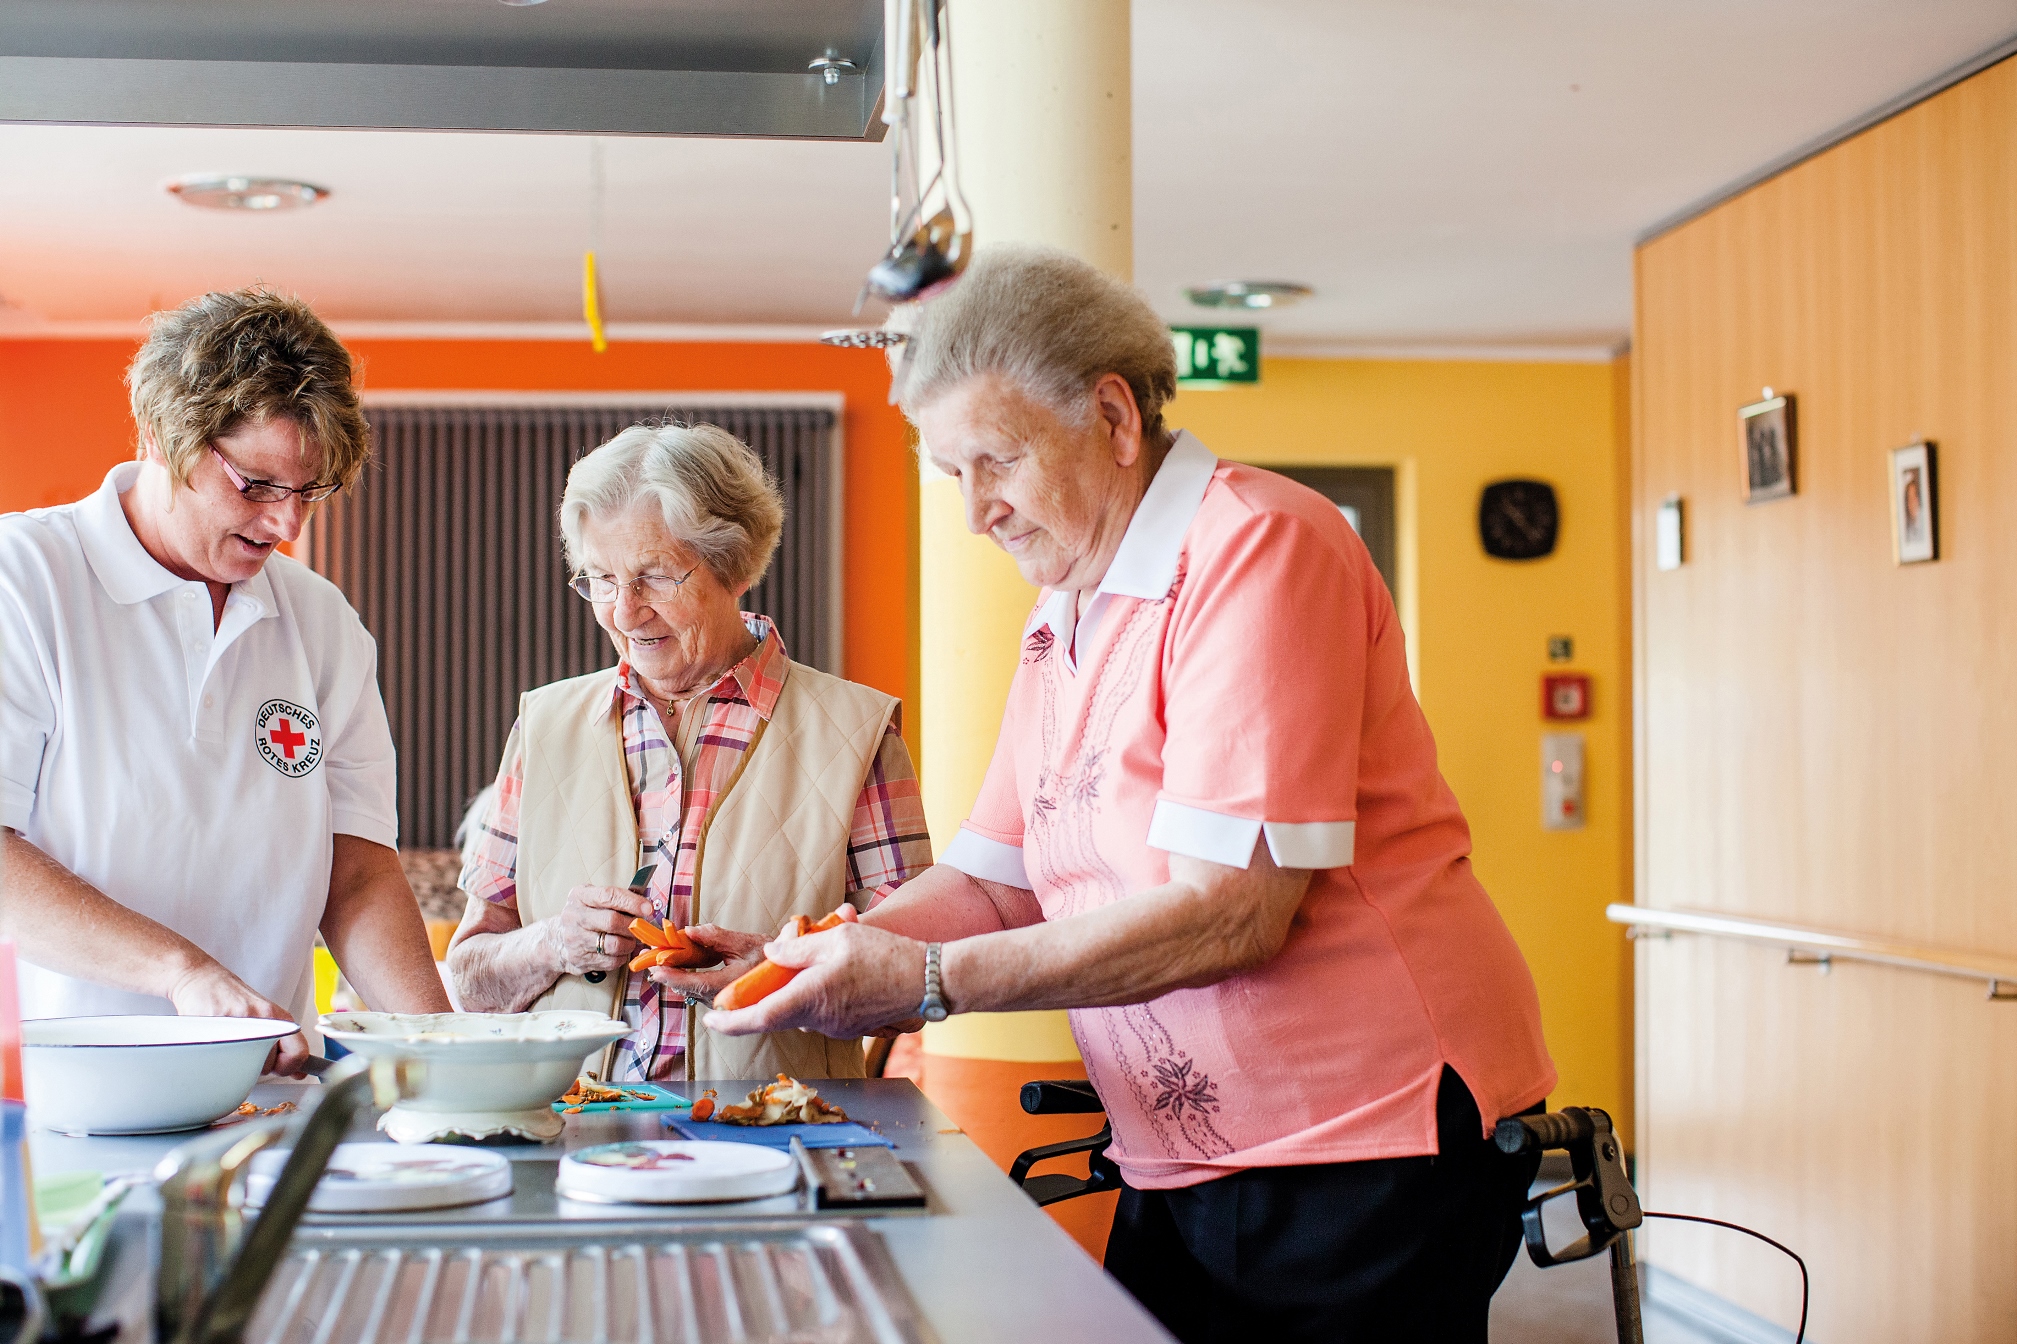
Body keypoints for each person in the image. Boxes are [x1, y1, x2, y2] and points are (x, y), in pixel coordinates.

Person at [704, 247, 1559, 1342]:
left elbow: (1232, 909)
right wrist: (819, 956)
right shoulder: (1068, 605)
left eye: (995, 461)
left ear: (1112, 416)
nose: (976, 513)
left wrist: (921, 981)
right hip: (1185, 1151)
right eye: (949, 475)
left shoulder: (1255, 545)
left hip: (1358, 1140)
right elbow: (992, 880)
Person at [0, 287, 450, 1073]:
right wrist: (185, 975)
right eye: (257, 486)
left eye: (309, 492)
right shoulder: (25, 578)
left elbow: (358, 871)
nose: (288, 527)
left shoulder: (321, 620)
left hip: (272, 1088)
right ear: (161, 437)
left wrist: (450, 1053)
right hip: (77, 1094)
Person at [447, 422, 930, 1083]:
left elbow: (910, 990)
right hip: (571, 1138)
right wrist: (551, 944)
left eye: (653, 576)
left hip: (772, 1137)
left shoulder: (857, 731)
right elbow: (470, 979)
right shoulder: (544, 726)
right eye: (600, 578)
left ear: (733, 565)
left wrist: (780, 966)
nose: (623, 611)